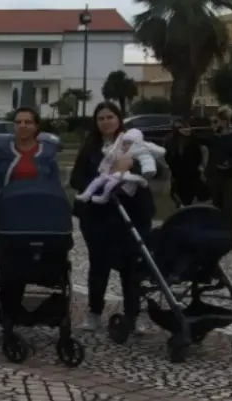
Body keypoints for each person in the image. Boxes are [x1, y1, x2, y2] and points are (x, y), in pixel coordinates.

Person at [69, 102, 156, 333]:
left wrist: (129, 173)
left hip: (132, 213)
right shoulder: (90, 148)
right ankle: (94, 312)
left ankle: (133, 314)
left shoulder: (133, 143)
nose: (106, 122)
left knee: (132, 266)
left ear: (119, 119)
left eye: (110, 117)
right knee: (99, 264)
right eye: (101, 118)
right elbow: (76, 178)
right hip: (98, 214)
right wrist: (100, 185)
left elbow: (152, 169)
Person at [0, 107, 63, 314]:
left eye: (28, 122)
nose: (23, 126)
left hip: (40, 216)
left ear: (36, 126)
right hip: (8, 214)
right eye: (18, 122)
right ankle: (10, 305)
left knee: (41, 256)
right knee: (10, 260)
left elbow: (54, 181)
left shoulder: (47, 152)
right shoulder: (2, 151)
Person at [75, 128, 162, 204]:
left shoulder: (139, 153)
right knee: (97, 181)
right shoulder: (116, 149)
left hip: (124, 180)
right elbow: (109, 154)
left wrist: (147, 170)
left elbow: (147, 160)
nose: (125, 146)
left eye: (110, 117)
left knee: (109, 185)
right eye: (124, 143)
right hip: (111, 175)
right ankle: (87, 194)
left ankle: (104, 197)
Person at [205, 106, 232, 230]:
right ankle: (218, 234)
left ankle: (230, 237)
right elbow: (198, 139)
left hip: (231, 177)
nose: (214, 124)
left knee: (228, 207)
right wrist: (211, 131)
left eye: (216, 121)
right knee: (216, 206)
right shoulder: (212, 137)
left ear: (224, 122)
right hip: (214, 176)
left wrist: (231, 162)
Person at [164, 119, 206, 208]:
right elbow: (168, 157)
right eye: (184, 128)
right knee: (179, 196)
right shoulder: (171, 141)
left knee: (190, 198)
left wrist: (199, 168)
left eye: (188, 127)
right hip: (178, 175)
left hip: (191, 175)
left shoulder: (193, 140)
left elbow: (199, 156)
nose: (188, 129)